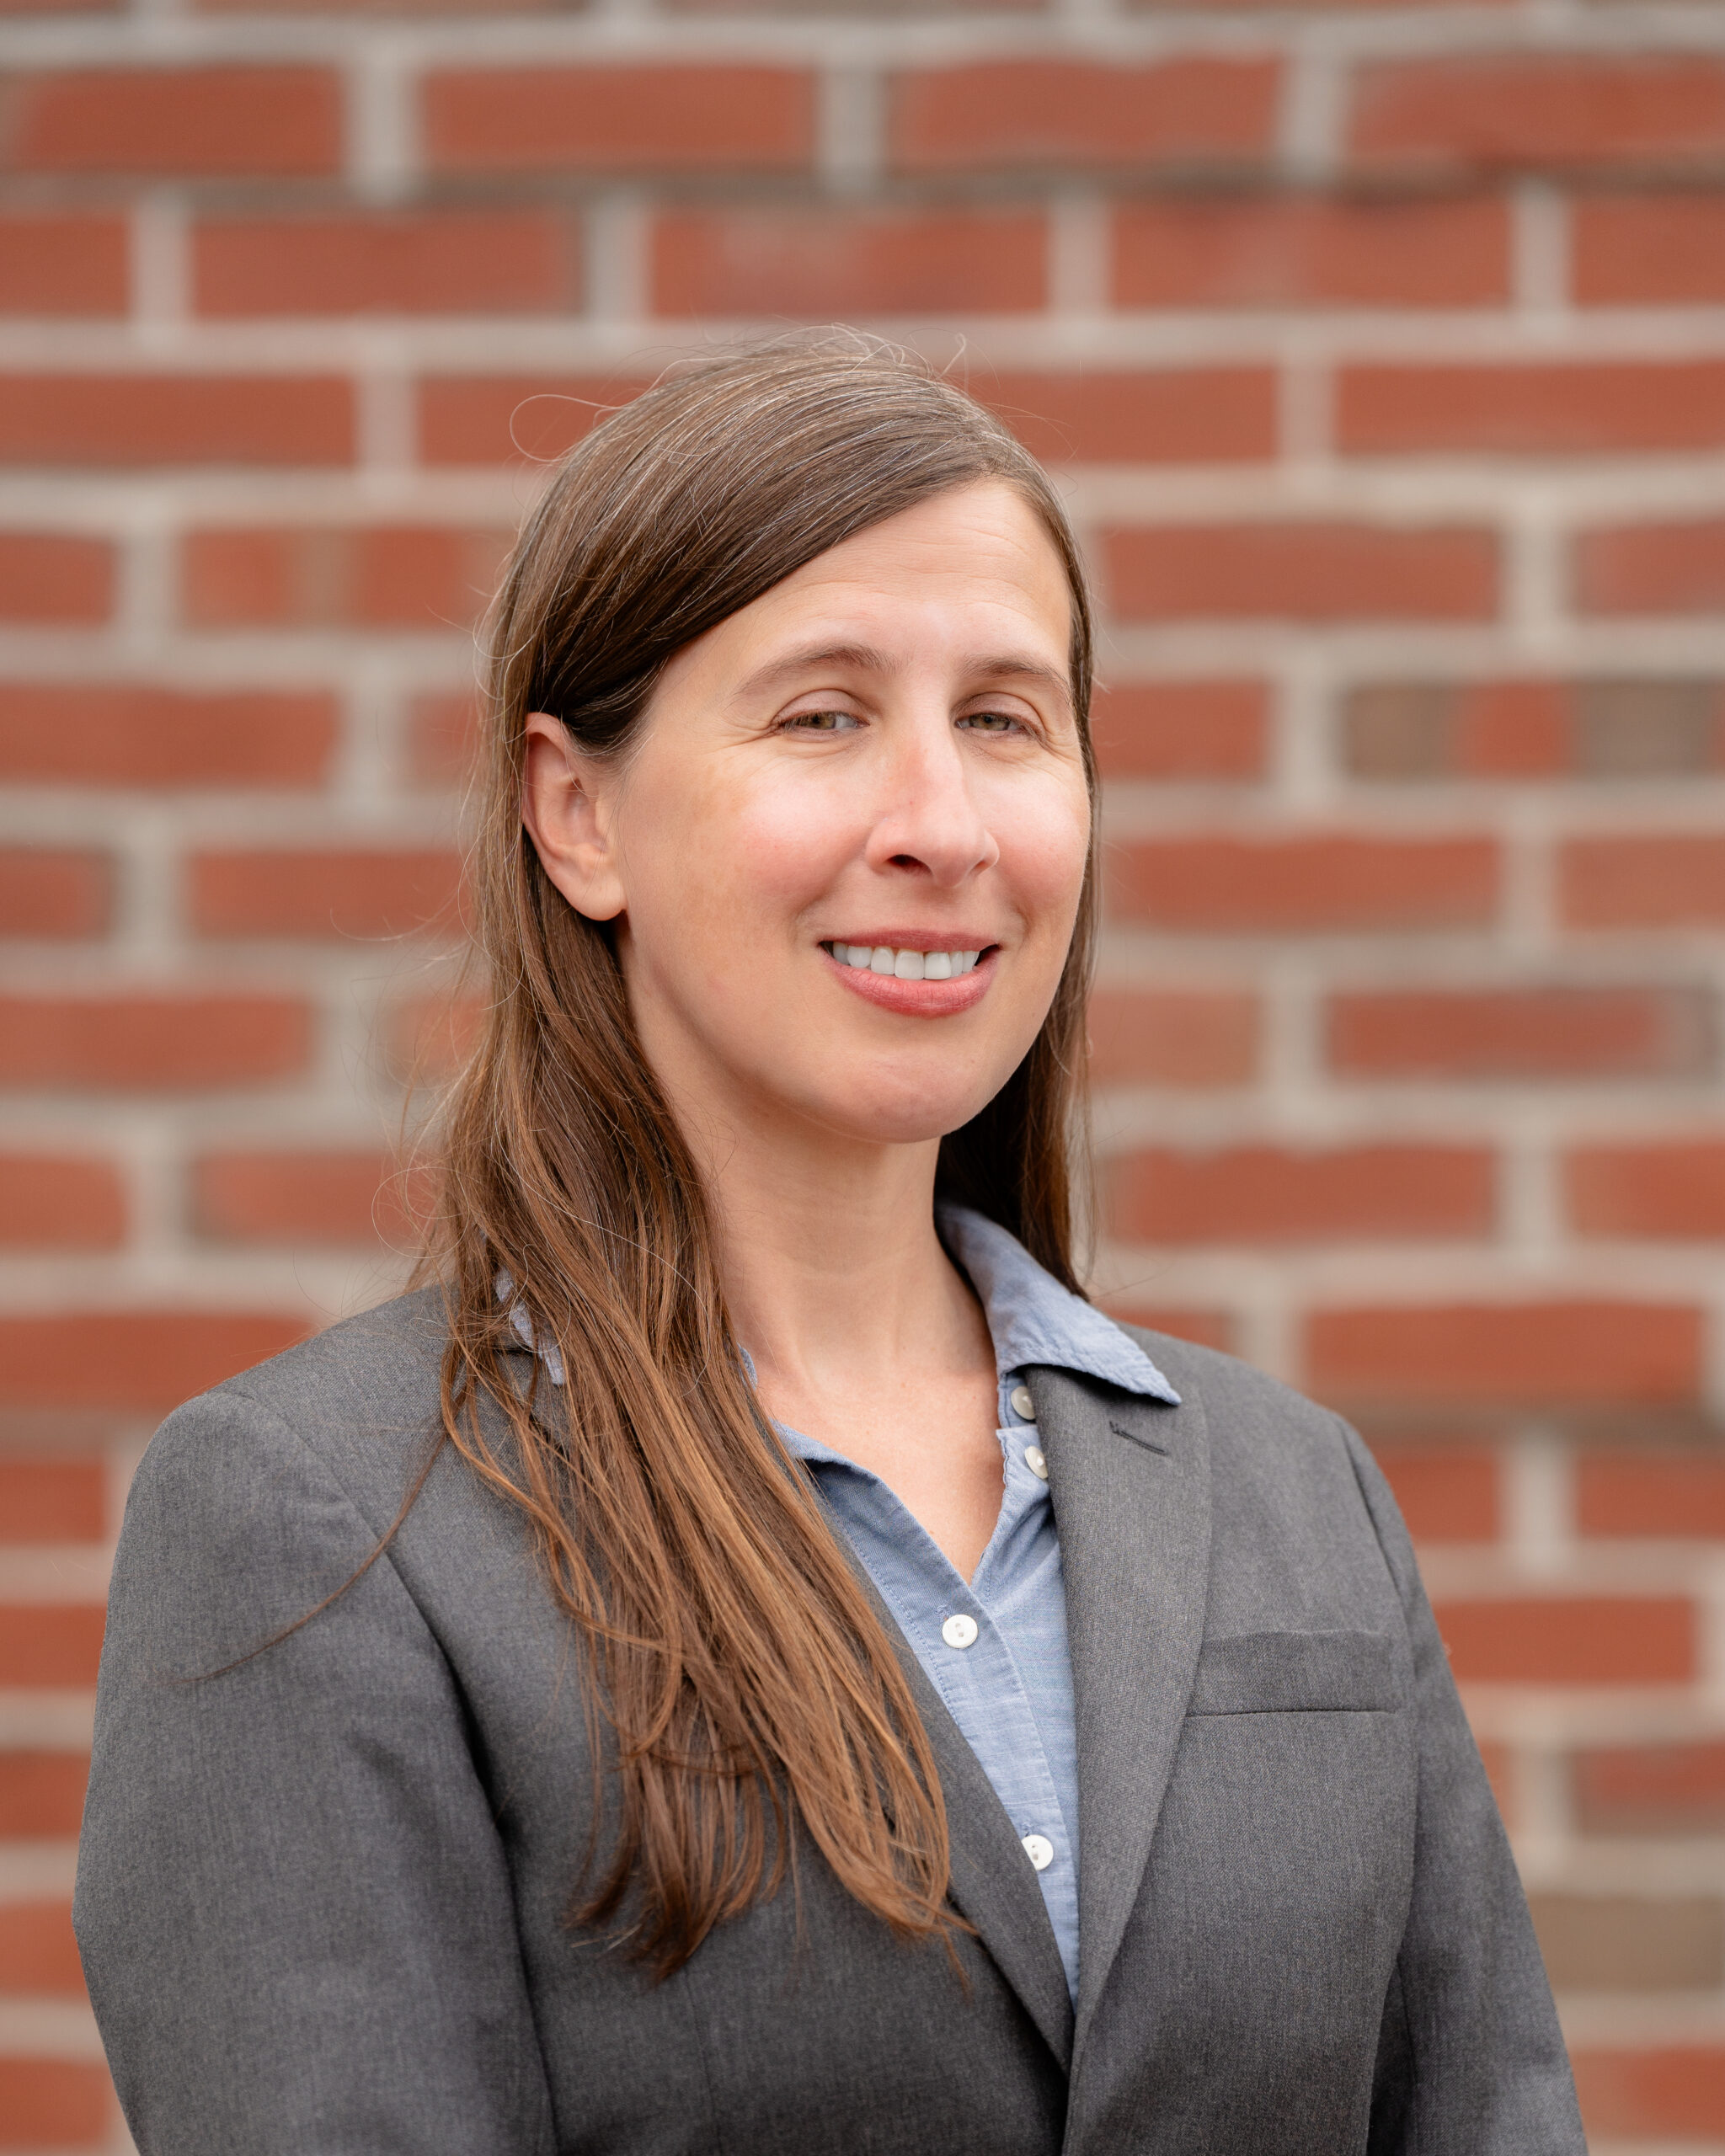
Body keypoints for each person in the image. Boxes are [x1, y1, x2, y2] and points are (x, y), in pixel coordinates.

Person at [74, 339, 1585, 2155]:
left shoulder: (1294, 1490)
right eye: (823, 714)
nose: (940, 826)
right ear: (579, 812)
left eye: (1007, 718)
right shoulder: (326, 1524)